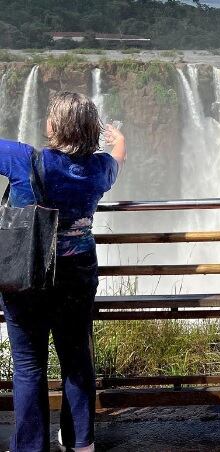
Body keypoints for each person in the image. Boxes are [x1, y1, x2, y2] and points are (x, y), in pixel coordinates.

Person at [0, 92, 126, 452]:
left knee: (28, 365)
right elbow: (118, 158)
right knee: (75, 358)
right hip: (78, 275)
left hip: (28, 274)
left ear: (54, 126)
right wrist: (118, 139)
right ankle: (80, 441)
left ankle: (31, 447)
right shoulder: (100, 168)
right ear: (90, 129)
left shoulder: (25, 159)